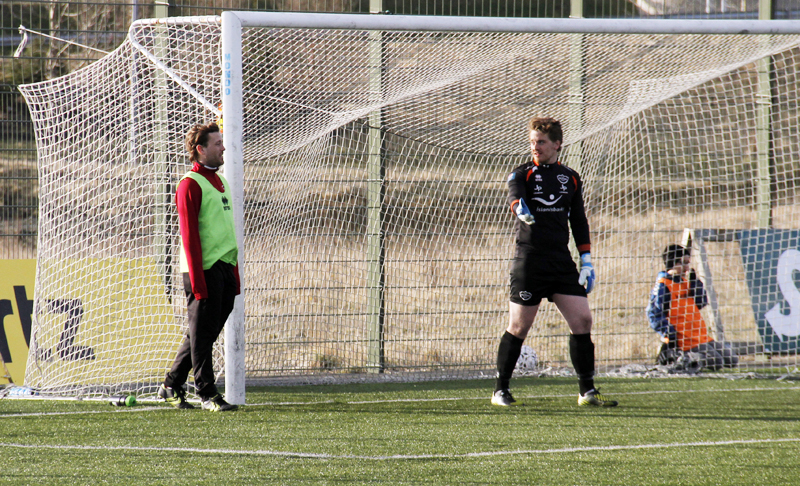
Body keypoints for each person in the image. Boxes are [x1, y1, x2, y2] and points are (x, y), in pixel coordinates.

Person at [492, 116, 618, 407]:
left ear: (557, 144)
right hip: (530, 261)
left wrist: (586, 259)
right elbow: (515, 196)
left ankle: (587, 392)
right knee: (519, 326)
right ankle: (500, 390)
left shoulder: (571, 177)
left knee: (583, 320)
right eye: (532, 142)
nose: (535, 147)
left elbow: (579, 220)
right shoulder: (521, 173)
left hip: (561, 261)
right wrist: (518, 207)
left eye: (541, 142)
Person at [158, 122, 240, 412]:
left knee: (202, 334)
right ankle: (207, 393)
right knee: (202, 334)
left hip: (225, 267)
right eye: (217, 144)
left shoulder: (220, 182)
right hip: (203, 270)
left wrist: (234, 271)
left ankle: (171, 384)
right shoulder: (189, 184)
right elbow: (190, 237)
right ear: (201, 149)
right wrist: (198, 281)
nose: (223, 148)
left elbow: (225, 231)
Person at [647, 244, 738, 371]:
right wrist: (669, 333)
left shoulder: (685, 282)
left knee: (732, 360)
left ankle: (690, 357)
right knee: (716, 362)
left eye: (688, 263)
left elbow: (701, 303)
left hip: (700, 336)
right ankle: (677, 356)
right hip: (685, 340)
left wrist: (696, 284)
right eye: (683, 263)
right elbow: (653, 314)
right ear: (673, 263)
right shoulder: (663, 285)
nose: (687, 267)